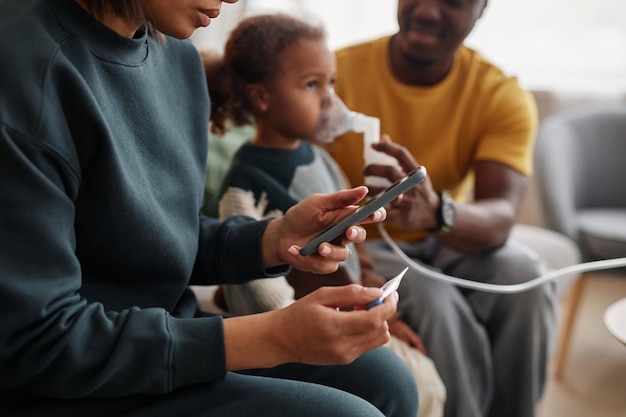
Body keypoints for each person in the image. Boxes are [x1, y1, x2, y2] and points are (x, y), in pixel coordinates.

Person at [0, 1, 419, 416]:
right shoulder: (25, 70)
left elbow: (143, 234)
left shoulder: (177, 60)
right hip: (62, 380)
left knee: (388, 380)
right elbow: (35, 339)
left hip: (154, 340)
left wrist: (271, 239)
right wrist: (273, 337)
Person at [203, 14, 445, 417]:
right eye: (312, 85)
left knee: (428, 381)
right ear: (262, 98)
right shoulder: (243, 188)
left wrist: (380, 309)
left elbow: (358, 254)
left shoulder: (322, 160)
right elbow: (260, 300)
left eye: (331, 84)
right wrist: (332, 326)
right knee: (414, 385)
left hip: (350, 317)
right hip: (297, 338)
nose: (330, 101)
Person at [326, 1, 557, 417]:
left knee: (531, 281)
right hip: (364, 244)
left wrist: (435, 212)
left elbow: (501, 214)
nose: (429, 11)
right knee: (436, 300)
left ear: (482, 8)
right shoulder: (333, 75)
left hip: (448, 236)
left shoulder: (499, 93)